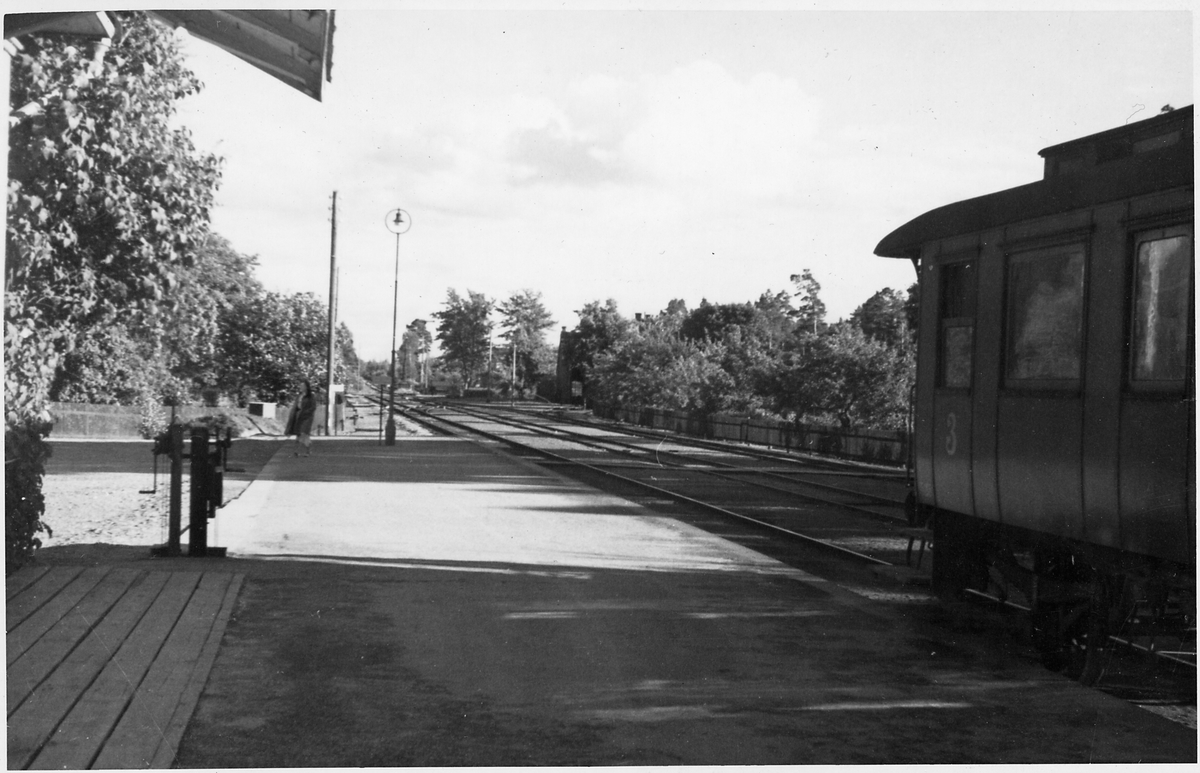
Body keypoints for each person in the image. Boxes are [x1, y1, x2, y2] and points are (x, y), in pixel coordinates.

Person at [288, 380, 317, 456]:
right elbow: (296, 406)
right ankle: (302, 451)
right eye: (300, 386)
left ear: (307, 387)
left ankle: (301, 450)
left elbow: (313, 407)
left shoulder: (311, 396)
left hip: (307, 417)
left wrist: (306, 412)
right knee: (300, 433)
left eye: (303, 386)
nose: (301, 387)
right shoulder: (299, 396)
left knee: (303, 432)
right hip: (299, 416)